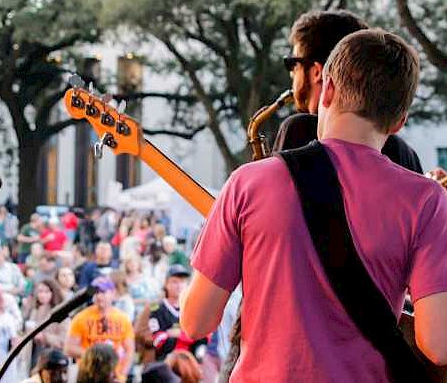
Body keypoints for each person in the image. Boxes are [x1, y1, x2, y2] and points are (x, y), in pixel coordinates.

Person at [181, 28, 447, 381]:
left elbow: (196, 321)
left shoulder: (248, 182)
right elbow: (438, 344)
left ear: (329, 90)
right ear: (400, 121)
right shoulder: (426, 201)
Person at [272, 10, 423, 173]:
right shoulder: (405, 153)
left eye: (293, 64)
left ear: (317, 72)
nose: (291, 73)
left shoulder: (298, 128)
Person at [64, 276, 135, 382]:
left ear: (112, 293)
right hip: (89, 376)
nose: (99, 296)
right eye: (96, 292)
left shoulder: (123, 319)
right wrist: (94, 355)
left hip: (114, 376)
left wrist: (122, 375)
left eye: (103, 292)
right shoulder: (81, 318)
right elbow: (69, 348)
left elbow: (129, 350)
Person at [137, 265, 207, 364]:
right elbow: (154, 338)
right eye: (174, 282)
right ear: (166, 284)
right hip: (162, 361)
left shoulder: (194, 308)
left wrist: (179, 334)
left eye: (182, 282)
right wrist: (185, 338)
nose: (179, 286)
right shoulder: (155, 307)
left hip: (189, 362)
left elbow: (202, 337)